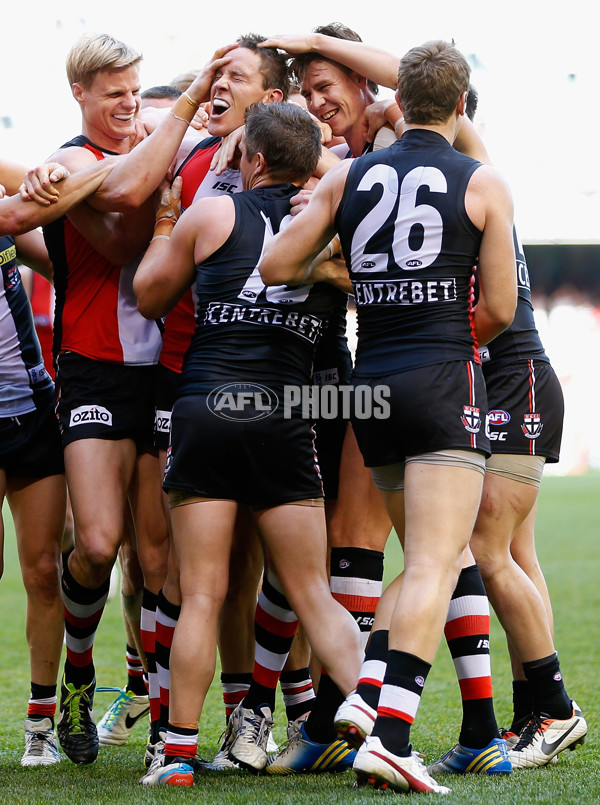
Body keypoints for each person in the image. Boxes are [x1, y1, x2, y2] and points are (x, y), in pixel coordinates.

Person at [258, 40, 517, 794]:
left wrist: (344, 273)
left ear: (396, 100)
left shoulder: (348, 173)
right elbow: (499, 307)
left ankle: (369, 698)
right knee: (436, 558)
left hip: (371, 382)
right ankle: (391, 733)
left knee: (425, 556)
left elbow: (275, 265)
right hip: (442, 379)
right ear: (461, 105)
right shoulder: (485, 182)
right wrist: (453, 342)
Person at [133, 100, 363, 788]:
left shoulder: (214, 215)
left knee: (201, 591)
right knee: (313, 594)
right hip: (286, 414)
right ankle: (389, 733)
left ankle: (175, 754)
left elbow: (148, 296)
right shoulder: (330, 232)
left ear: (253, 159)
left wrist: (170, 217)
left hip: (205, 407)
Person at [0, 155, 119, 766]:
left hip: (30, 409)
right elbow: (24, 208)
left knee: (45, 571)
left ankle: (43, 721)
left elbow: (64, 259)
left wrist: (57, 178)